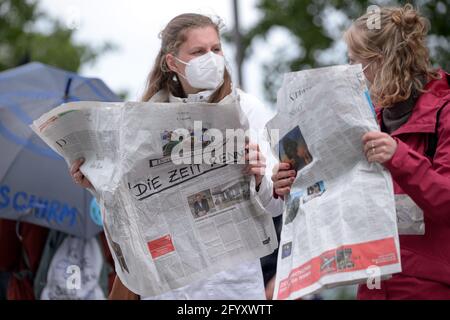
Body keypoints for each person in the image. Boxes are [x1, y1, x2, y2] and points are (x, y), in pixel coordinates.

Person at [70, 13, 283, 300]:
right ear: (173, 62)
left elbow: (275, 208)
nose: (212, 58)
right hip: (168, 286)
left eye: (216, 49)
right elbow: (128, 206)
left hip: (233, 287)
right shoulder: (143, 118)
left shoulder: (248, 108)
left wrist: (259, 178)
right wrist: (95, 183)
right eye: (198, 52)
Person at [272, 4, 450, 299]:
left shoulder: (443, 111)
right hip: (371, 281)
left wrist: (399, 156)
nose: (350, 71)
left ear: (382, 62)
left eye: (355, 62)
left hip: (429, 286)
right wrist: (290, 183)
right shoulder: (367, 118)